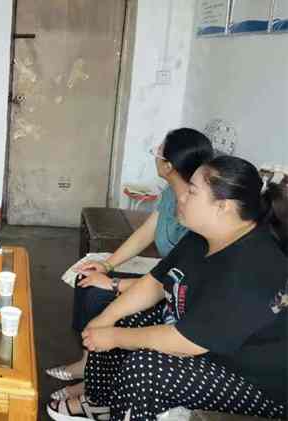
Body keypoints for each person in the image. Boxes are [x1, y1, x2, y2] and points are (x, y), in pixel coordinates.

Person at [48, 155, 287, 421]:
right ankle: (100, 401)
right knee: (123, 318)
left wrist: (113, 337)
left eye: (192, 191)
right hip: (208, 345)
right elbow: (155, 282)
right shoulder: (201, 238)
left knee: (144, 369)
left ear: (223, 206)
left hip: (252, 380)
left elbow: (188, 342)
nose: (181, 197)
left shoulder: (253, 266)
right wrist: (107, 318)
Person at [46, 128, 215, 400]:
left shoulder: (199, 217)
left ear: (169, 165)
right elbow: (147, 232)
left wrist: (112, 283)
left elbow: (173, 281)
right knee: (87, 277)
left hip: (173, 286)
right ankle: (87, 362)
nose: (155, 153)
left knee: (97, 294)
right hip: (162, 274)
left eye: (159, 150)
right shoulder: (171, 194)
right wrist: (107, 265)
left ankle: (94, 376)